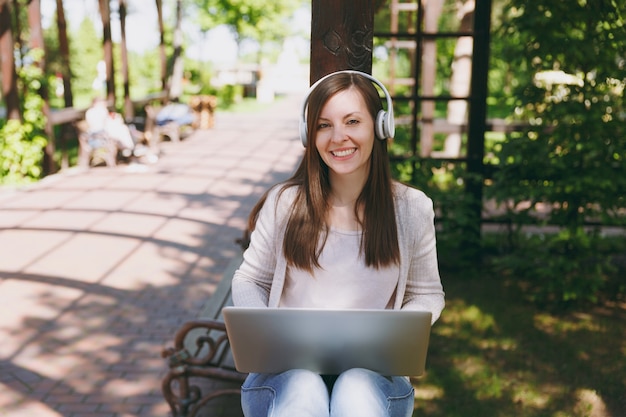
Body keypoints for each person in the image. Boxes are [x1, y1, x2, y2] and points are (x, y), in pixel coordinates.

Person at [231, 70, 445, 417]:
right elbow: (249, 279)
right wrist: (271, 330)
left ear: (380, 127)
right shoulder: (285, 203)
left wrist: (396, 335)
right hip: (284, 378)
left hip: (375, 379)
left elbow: (427, 293)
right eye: (323, 125)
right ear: (308, 134)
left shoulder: (411, 208)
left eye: (352, 121)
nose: (338, 137)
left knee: (355, 388)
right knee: (303, 387)